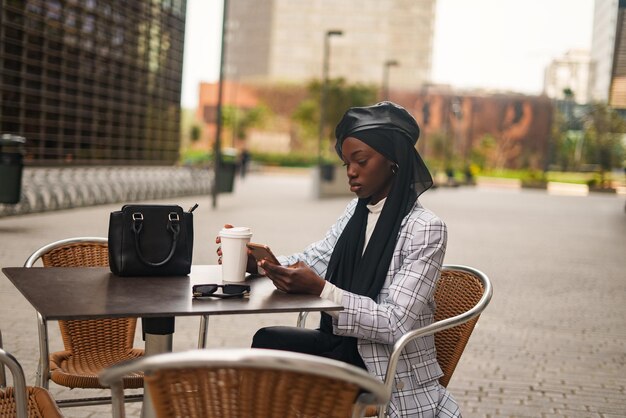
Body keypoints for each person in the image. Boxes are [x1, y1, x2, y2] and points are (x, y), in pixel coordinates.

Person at [217, 102, 460, 417]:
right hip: (342, 346)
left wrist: (322, 290)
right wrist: (262, 265)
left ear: (394, 162)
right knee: (268, 341)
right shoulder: (356, 213)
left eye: (360, 160)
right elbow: (314, 259)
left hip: (383, 367)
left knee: (272, 370)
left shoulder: (424, 229)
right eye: (346, 162)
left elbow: (395, 323)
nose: (351, 171)